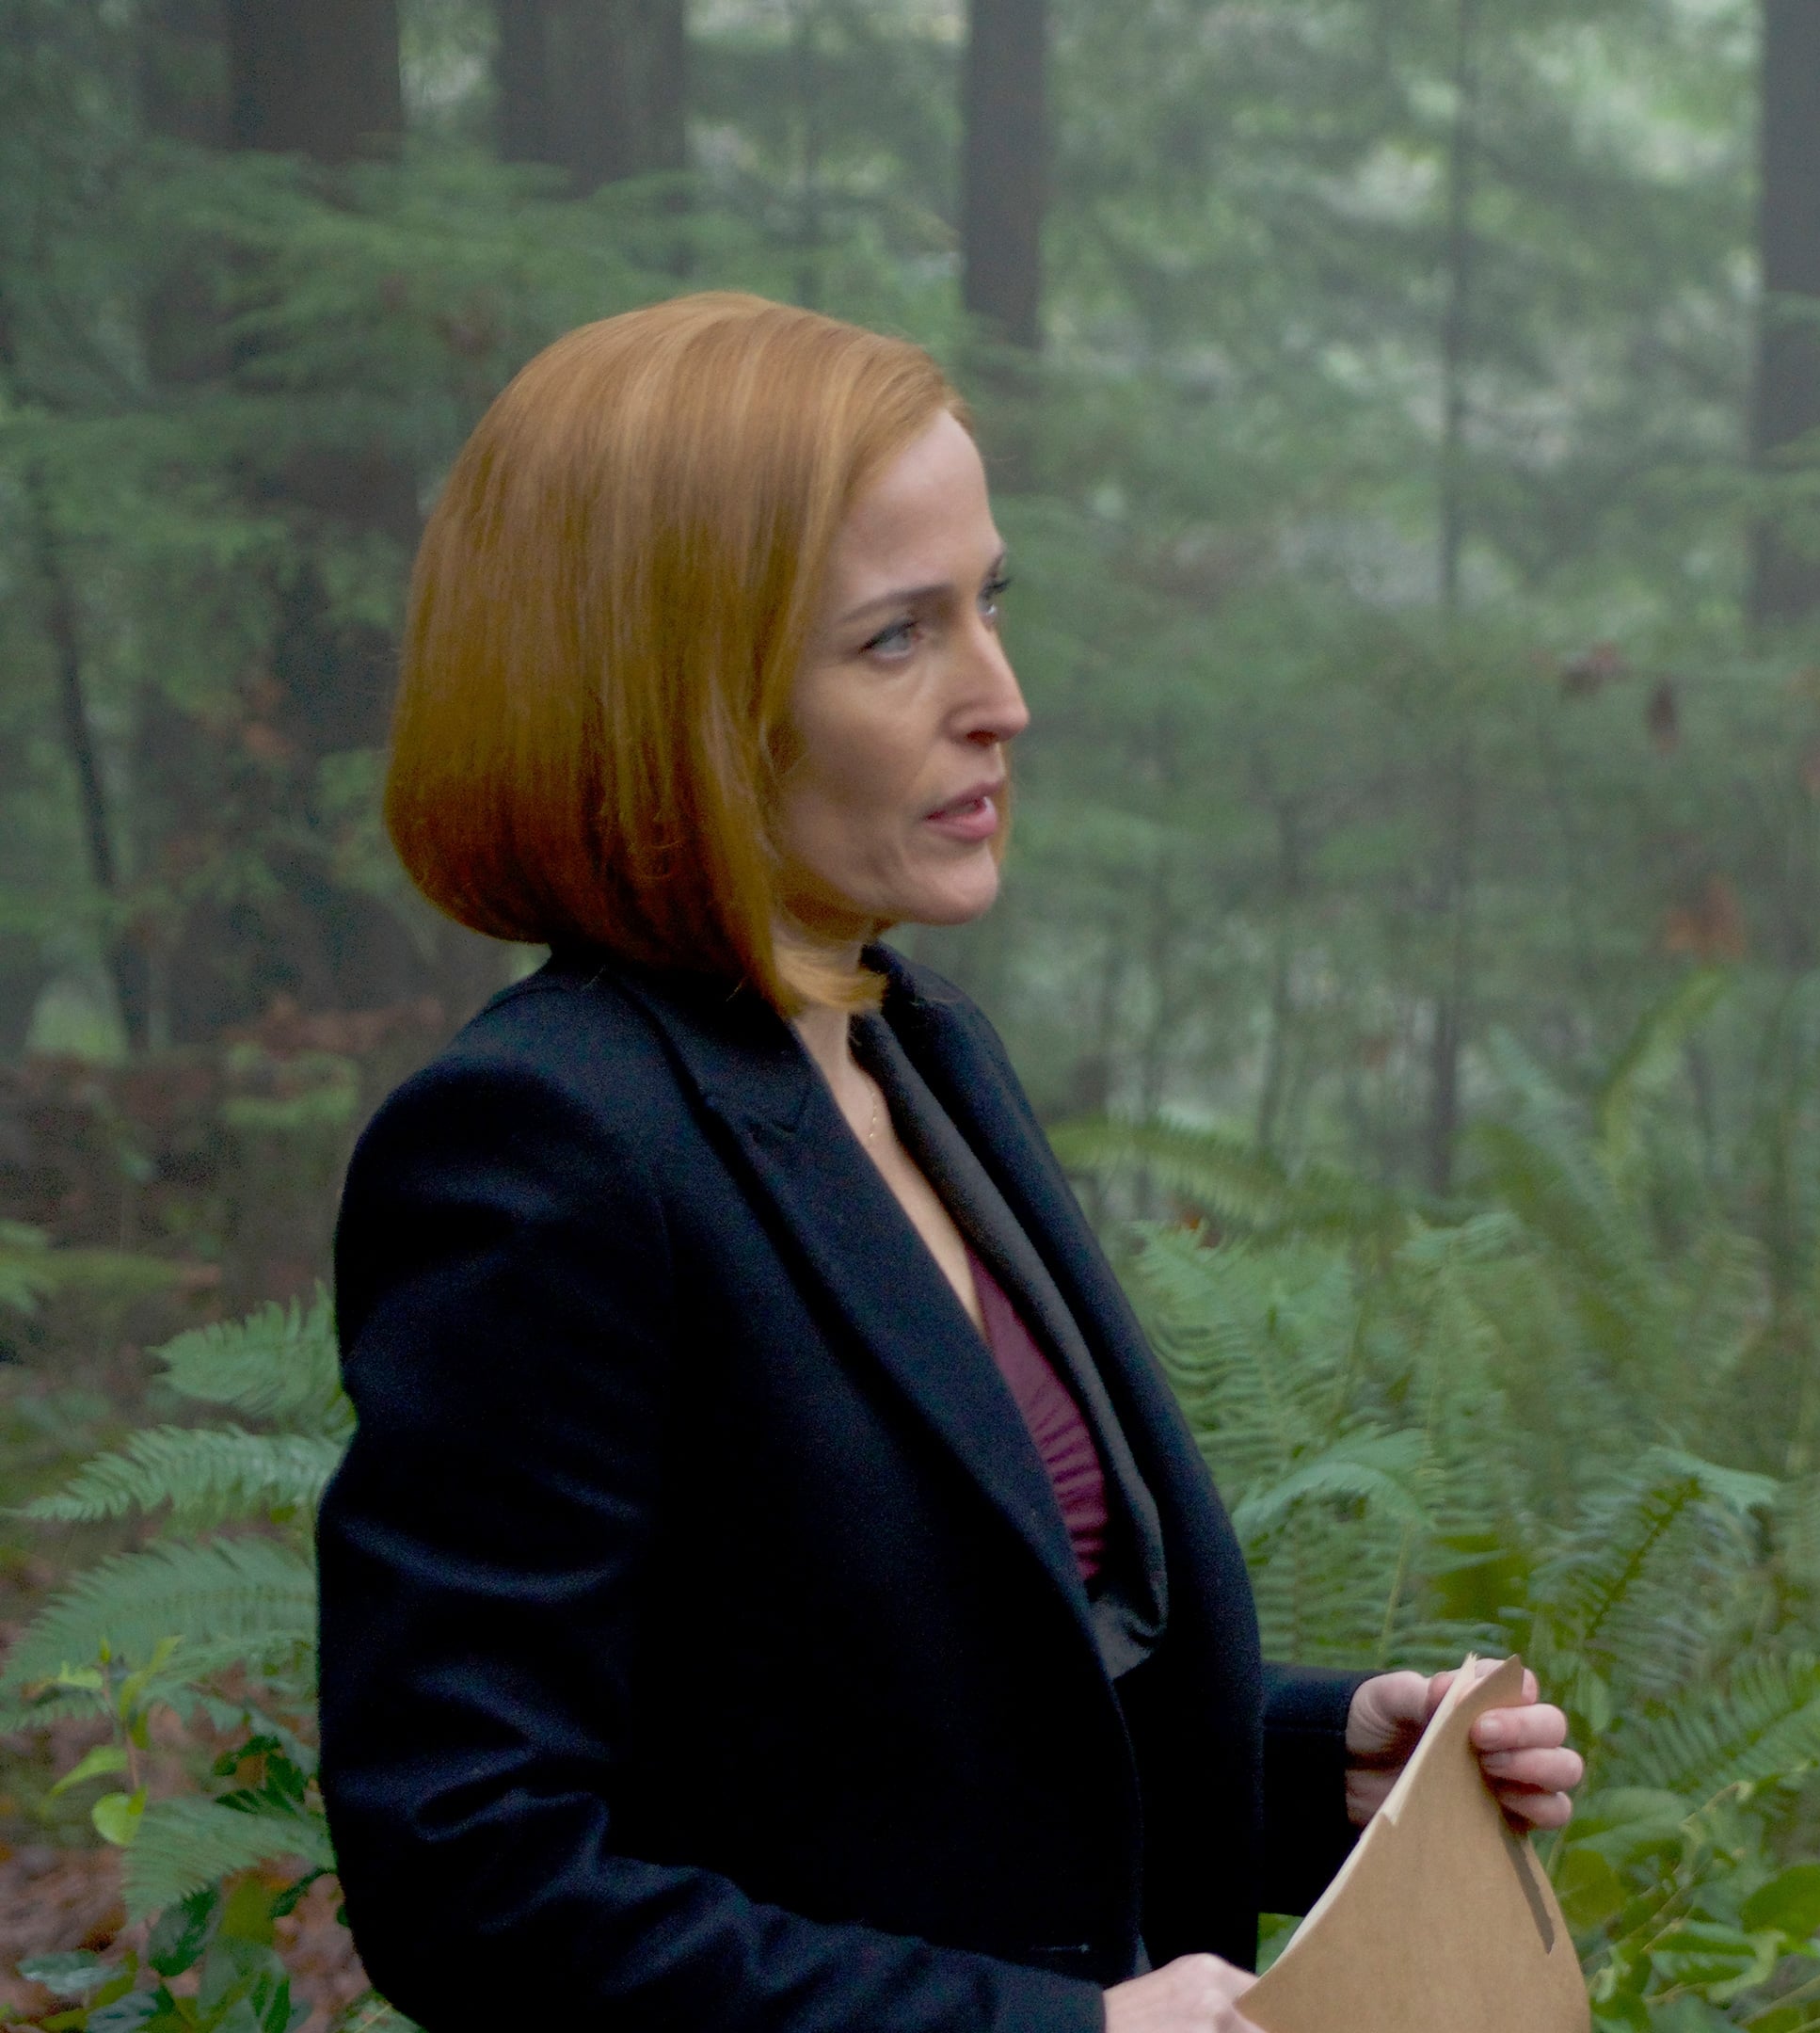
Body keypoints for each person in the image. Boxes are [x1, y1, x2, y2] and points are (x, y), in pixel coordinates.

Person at [317, 292, 1582, 2033]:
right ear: (677, 698)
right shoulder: (543, 1146)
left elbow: (926, 1724)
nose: (1004, 701)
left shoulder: (919, 1051)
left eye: (990, 604)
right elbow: (475, 1875)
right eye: (895, 638)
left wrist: (1315, 1767)